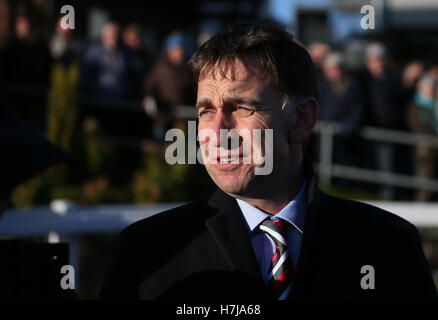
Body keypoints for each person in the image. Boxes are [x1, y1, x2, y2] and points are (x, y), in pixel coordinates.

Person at [100, 22, 437, 300]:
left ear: (302, 119)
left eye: (242, 108)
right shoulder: (147, 252)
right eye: (205, 111)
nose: (216, 132)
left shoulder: (388, 246)